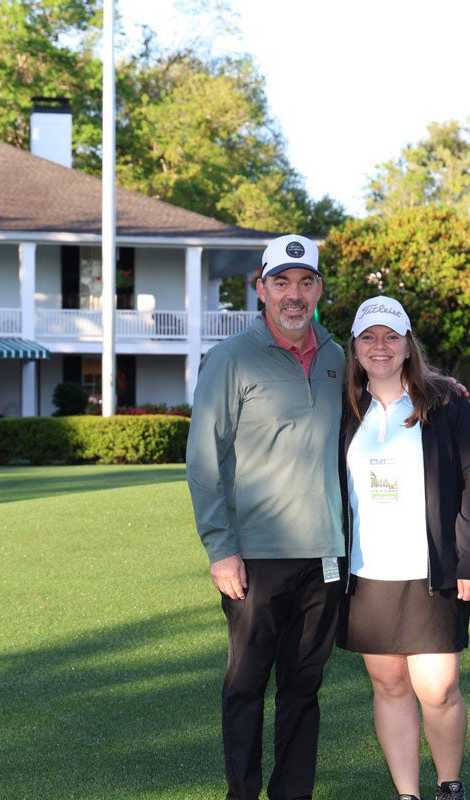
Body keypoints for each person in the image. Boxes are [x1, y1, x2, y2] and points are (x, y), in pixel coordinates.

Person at [186, 233, 346, 800]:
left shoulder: (335, 354)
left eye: (305, 283)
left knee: (303, 690)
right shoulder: (230, 358)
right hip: (253, 557)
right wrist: (219, 547)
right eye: (282, 283)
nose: (294, 295)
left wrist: (444, 389)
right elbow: (205, 459)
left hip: (325, 554)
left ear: (319, 289)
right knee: (247, 685)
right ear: (261, 289)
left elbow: (388, 388)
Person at [336, 296, 470, 800]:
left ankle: (450, 787)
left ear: (407, 346)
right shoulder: (341, 408)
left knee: (439, 688)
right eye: (368, 337)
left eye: (391, 336)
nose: (380, 347)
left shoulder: (447, 402)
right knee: (390, 686)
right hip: (368, 572)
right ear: (356, 349)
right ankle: (408, 794)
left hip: (433, 569)